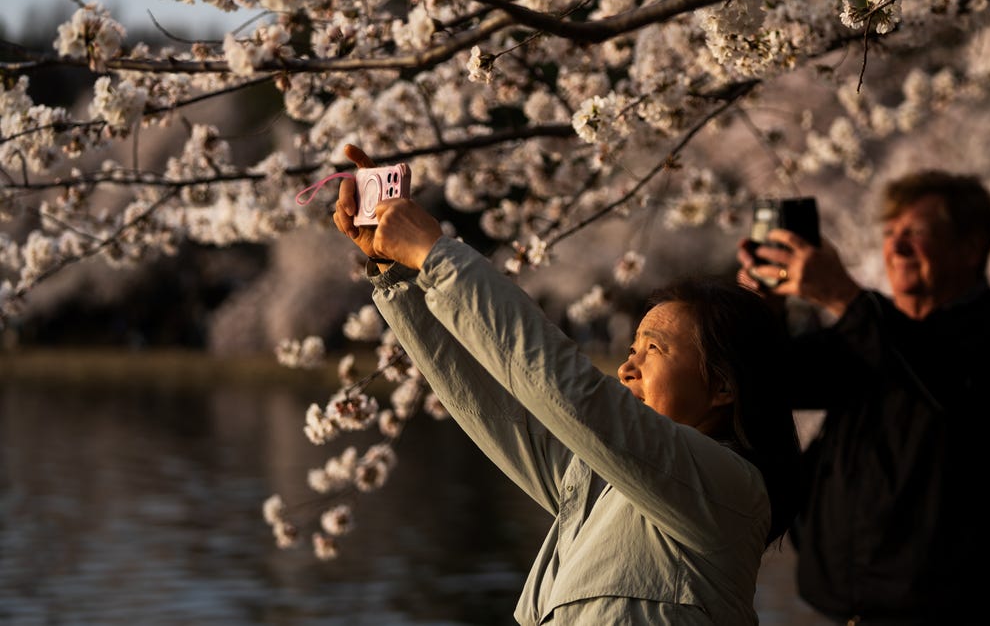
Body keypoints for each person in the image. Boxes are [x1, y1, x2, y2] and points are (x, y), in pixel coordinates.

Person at [332, 145, 800, 624]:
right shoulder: (600, 480)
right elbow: (496, 406)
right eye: (631, 349)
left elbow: (569, 391)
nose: (626, 368)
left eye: (655, 349)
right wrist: (401, 273)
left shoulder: (733, 491)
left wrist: (438, 256)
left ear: (723, 386)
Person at [739, 171, 990, 625]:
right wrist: (759, 310)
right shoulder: (868, 331)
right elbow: (773, 382)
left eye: (917, 234)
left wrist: (844, 297)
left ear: (970, 248)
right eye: (890, 234)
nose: (897, 247)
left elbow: (942, 382)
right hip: (847, 608)